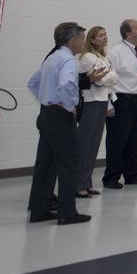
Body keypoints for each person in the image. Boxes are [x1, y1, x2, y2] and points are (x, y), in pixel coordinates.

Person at [26, 22, 91, 225]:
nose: (83, 42)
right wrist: (70, 105)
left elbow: (33, 83)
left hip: (46, 115)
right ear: (72, 41)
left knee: (44, 165)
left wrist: (47, 99)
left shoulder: (52, 58)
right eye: (82, 38)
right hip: (60, 118)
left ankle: (39, 210)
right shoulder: (68, 60)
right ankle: (67, 212)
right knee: (68, 163)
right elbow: (66, 84)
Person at [102, 19, 137, 189]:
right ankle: (111, 177)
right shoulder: (116, 52)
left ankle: (132, 174)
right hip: (123, 100)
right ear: (128, 33)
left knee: (135, 139)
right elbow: (108, 79)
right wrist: (109, 104)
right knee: (117, 140)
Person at [76, 26, 116, 197]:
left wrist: (106, 78)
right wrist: (106, 77)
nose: (104, 37)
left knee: (94, 145)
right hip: (90, 102)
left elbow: (113, 79)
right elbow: (99, 81)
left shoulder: (104, 57)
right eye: (100, 35)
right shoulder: (86, 58)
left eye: (105, 34)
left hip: (102, 102)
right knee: (84, 145)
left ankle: (87, 181)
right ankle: (77, 184)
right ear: (91, 39)